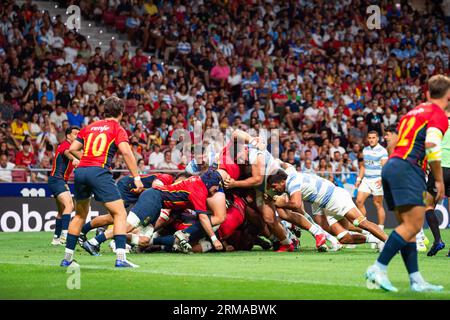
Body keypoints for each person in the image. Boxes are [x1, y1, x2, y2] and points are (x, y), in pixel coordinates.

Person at [366, 74, 450, 292]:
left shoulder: (412, 113)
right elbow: (432, 143)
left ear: (427, 93)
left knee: (409, 228)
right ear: (448, 95)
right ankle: (378, 268)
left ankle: (415, 280)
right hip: (408, 169)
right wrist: (439, 180)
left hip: (392, 166)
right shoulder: (438, 115)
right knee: (413, 225)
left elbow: (397, 142)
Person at [60, 96, 144, 269]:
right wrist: (136, 177)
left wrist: (86, 160)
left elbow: (72, 149)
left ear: (104, 112)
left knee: (79, 215)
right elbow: (127, 153)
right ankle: (121, 258)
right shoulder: (117, 129)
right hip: (99, 172)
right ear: (121, 113)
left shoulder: (89, 127)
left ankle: (67, 259)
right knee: (120, 213)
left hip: (81, 172)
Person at [268, 166, 387, 248]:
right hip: (328, 205)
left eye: (274, 186)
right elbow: (298, 208)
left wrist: (283, 204)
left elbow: (297, 204)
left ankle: (389, 242)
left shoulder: (292, 182)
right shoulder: (292, 179)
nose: (274, 189)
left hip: (336, 198)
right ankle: (375, 239)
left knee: (362, 223)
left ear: (282, 181)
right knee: (343, 238)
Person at [80, 173, 174, 254]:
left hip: (139, 193)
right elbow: (155, 186)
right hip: (127, 187)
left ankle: (104, 234)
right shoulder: (168, 178)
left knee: (132, 228)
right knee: (114, 218)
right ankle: (84, 231)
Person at [355, 131, 388, 250]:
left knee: (378, 204)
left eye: (373, 138)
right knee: (359, 201)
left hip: (377, 180)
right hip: (366, 180)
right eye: (369, 138)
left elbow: (385, 167)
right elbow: (363, 166)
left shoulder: (382, 151)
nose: (371, 140)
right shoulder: (365, 150)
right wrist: (359, 179)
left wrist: (381, 179)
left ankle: (380, 231)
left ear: (377, 138)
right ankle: (366, 228)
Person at [48, 126, 80, 245]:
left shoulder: (74, 148)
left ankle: (56, 239)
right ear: (68, 136)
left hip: (59, 181)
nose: (77, 136)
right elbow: (67, 153)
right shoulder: (65, 145)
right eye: (75, 134)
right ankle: (65, 235)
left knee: (62, 211)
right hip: (57, 179)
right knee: (69, 205)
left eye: (79, 134)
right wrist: (74, 159)